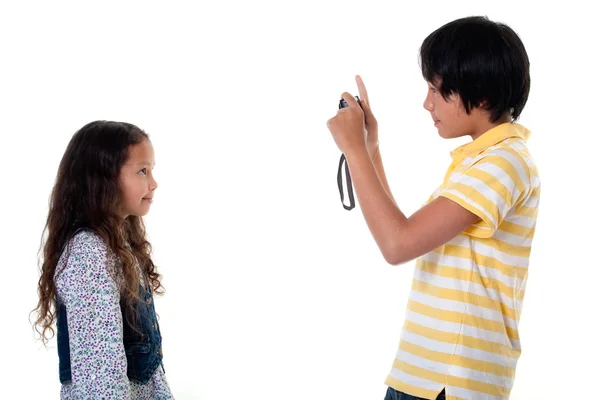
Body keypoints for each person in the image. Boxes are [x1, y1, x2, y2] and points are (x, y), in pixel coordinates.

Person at [327, 16, 540, 400]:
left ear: (484, 96)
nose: (427, 103)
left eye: (438, 90)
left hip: (449, 383)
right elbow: (404, 230)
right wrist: (370, 149)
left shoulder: (503, 163)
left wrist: (354, 151)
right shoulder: (483, 160)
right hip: (427, 377)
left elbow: (397, 244)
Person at [32, 120, 174, 399]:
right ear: (104, 178)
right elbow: (100, 373)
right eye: (142, 171)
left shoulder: (117, 244)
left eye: (152, 170)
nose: (154, 183)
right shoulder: (89, 255)